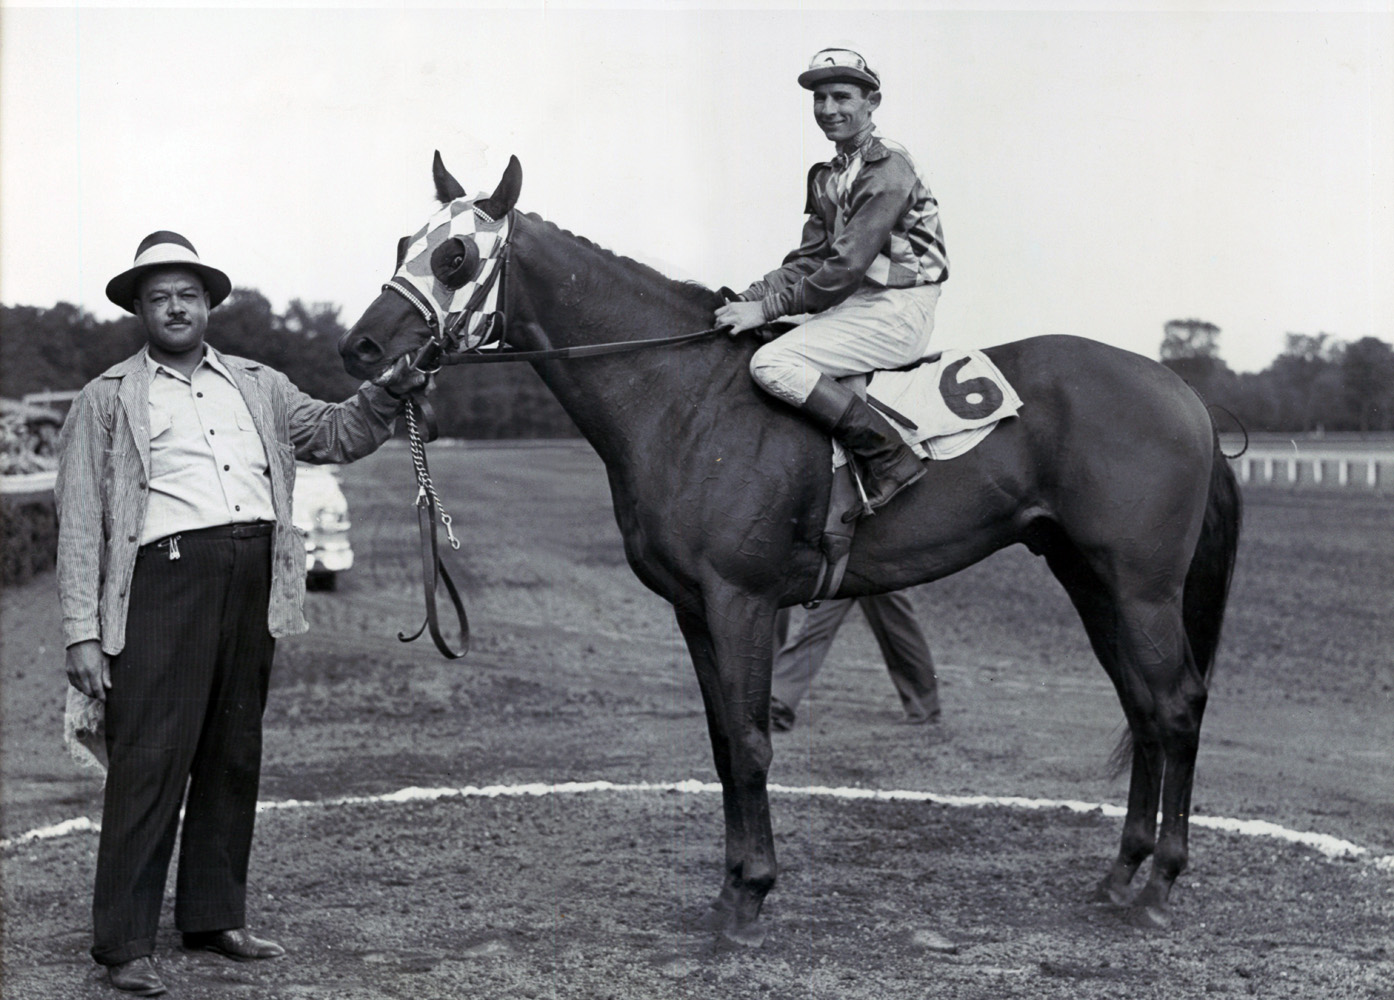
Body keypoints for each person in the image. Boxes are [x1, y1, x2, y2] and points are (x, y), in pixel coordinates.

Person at [55, 231, 425, 997]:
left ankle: (212, 916)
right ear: (140, 311)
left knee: (232, 752)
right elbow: (81, 519)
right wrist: (82, 632)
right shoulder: (105, 398)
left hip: (255, 575)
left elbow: (334, 433)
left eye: (187, 293)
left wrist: (388, 390)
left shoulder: (259, 383)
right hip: (164, 582)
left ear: (209, 303)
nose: (175, 307)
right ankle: (123, 943)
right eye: (159, 297)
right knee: (149, 758)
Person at [714, 46, 949, 516]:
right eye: (819, 99)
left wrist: (764, 309)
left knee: (771, 365)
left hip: (899, 308)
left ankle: (890, 458)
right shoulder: (826, 174)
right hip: (855, 305)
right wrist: (748, 297)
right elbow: (809, 260)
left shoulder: (887, 167)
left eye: (841, 96)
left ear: (872, 102)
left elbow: (842, 269)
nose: (828, 110)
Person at [770, 591, 941, 732]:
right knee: (816, 624)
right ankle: (780, 701)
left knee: (896, 623)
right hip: (843, 559)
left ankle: (923, 707)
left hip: (881, 560)